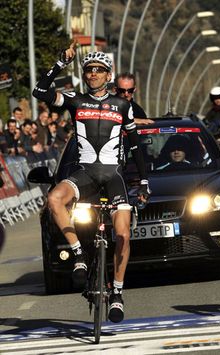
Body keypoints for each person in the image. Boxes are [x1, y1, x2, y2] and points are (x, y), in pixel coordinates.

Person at [32, 41, 150, 323]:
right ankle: (79, 254)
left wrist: (144, 181)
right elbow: (39, 92)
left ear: (109, 76)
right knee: (54, 199)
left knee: (122, 235)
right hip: (84, 173)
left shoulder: (123, 105)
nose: (93, 74)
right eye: (89, 70)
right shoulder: (76, 101)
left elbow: (135, 146)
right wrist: (61, 63)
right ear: (84, 76)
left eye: (99, 70)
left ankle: (118, 293)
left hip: (113, 176)